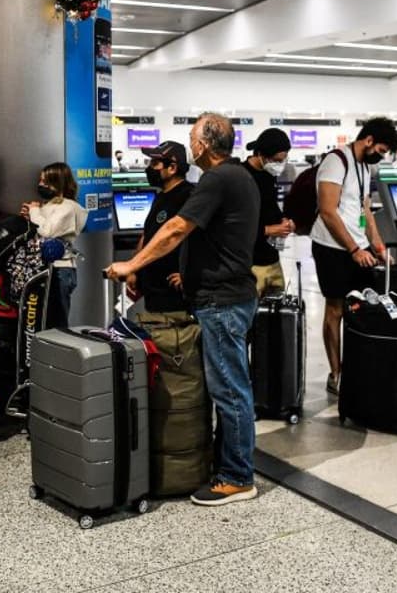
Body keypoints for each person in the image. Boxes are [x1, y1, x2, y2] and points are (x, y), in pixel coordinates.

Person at [106, 113, 260, 507]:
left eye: (193, 138)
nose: (191, 145)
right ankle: (228, 464)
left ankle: (238, 476)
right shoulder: (239, 176)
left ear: (205, 145)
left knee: (230, 390)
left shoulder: (218, 178)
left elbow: (177, 229)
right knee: (228, 387)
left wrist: (131, 264)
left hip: (222, 302)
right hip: (228, 296)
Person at [310, 117, 397, 396]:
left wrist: (378, 246)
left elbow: (365, 210)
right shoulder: (336, 162)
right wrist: (354, 249)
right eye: (381, 151)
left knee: (360, 309)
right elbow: (327, 210)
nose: (381, 157)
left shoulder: (364, 167)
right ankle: (336, 373)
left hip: (357, 248)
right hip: (332, 248)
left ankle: (357, 367)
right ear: (369, 140)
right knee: (335, 310)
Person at [126, 142, 193, 314]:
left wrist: (189, 275)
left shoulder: (189, 196)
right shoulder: (161, 195)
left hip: (174, 296)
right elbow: (147, 234)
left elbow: (201, 239)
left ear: (172, 168)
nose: (150, 168)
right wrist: (134, 269)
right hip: (153, 291)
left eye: (155, 163)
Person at [20, 162, 88, 325]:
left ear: (59, 183)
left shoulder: (69, 208)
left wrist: (34, 211)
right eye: (40, 180)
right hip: (45, 269)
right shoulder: (52, 205)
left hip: (59, 270)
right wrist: (30, 216)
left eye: (46, 181)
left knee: (56, 322)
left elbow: (48, 230)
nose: (41, 185)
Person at [243, 128, 294, 296]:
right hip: (251, 264)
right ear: (260, 155)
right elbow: (233, 224)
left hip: (272, 260)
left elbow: (270, 207)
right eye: (276, 160)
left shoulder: (268, 174)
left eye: (283, 160)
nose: (280, 165)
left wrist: (284, 220)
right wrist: (267, 230)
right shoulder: (241, 177)